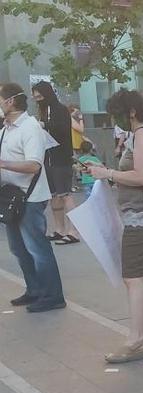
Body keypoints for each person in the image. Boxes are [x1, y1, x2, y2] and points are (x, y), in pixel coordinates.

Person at [85, 90, 143, 363]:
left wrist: (108, 173)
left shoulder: (141, 135)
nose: (116, 120)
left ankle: (135, 340)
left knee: (133, 276)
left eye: (117, 114)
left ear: (131, 112)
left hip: (142, 215)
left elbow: (142, 176)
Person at [0, 84, 66, 313]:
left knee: (37, 248)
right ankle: (35, 289)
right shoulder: (6, 130)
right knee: (18, 248)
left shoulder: (30, 128)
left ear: (9, 102)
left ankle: (53, 295)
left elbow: (33, 165)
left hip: (30, 198)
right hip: (10, 198)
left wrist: (2, 163)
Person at [32, 81, 79, 245]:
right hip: (48, 157)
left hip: (61, 158)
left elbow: (63, 129)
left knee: (65, 194)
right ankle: (60, 229)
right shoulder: (43, 111)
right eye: (35, 97)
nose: (38, 100)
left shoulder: (60, 109)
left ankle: (74, 231)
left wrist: (44, 125)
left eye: (40, 96)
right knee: (54, 196)